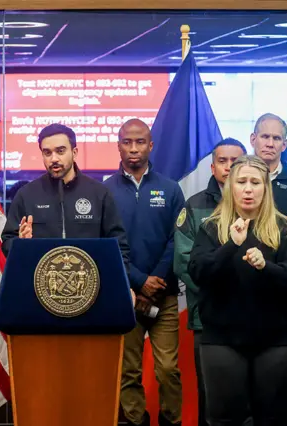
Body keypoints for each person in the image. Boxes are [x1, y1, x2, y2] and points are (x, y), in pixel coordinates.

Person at [188, 155, 287, 426]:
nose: (248, 188)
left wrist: (266, 266)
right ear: (231, 185)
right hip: (222, 340)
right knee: (223, 419)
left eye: (255, 182)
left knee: (273, 418)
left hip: (277, 341)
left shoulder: (285, 228)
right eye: (241, 181)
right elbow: (198, 273)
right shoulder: (211, 227)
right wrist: (231, 245)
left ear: (266, 188)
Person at [102, 119, 183, 426]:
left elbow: (179, 237)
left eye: (139, 143)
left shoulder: (170, 189)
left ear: (151, 145)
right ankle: (137, 421)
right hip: (125, 296)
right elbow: (106, 244)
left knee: (167, 369)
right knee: (128, 371)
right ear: (119, 145)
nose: (133, 149)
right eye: (127, 142)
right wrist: (137, 281)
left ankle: (170, 420)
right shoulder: (105, 191)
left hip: (165, 297)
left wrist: (155, 280)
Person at [173, 138, 246, 426]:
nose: (229, 167)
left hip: (251, 317)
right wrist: (220, 291)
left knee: (248, 395)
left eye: (235, 161)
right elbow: (183, 261)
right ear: (213, 167)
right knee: (211, 396)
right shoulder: (194, 207)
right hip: (209, 317)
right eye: (223, 161)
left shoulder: (259, 203)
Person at [0, 123, 129, 264]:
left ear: (74, 153)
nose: (54, 158)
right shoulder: (26, 195)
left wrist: (121, 283)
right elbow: (7, 242)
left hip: (89, 281)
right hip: (40, 282)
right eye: (47, 153)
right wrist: (20, 243)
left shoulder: (99, 193)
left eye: (60, 151)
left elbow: (118, 245)